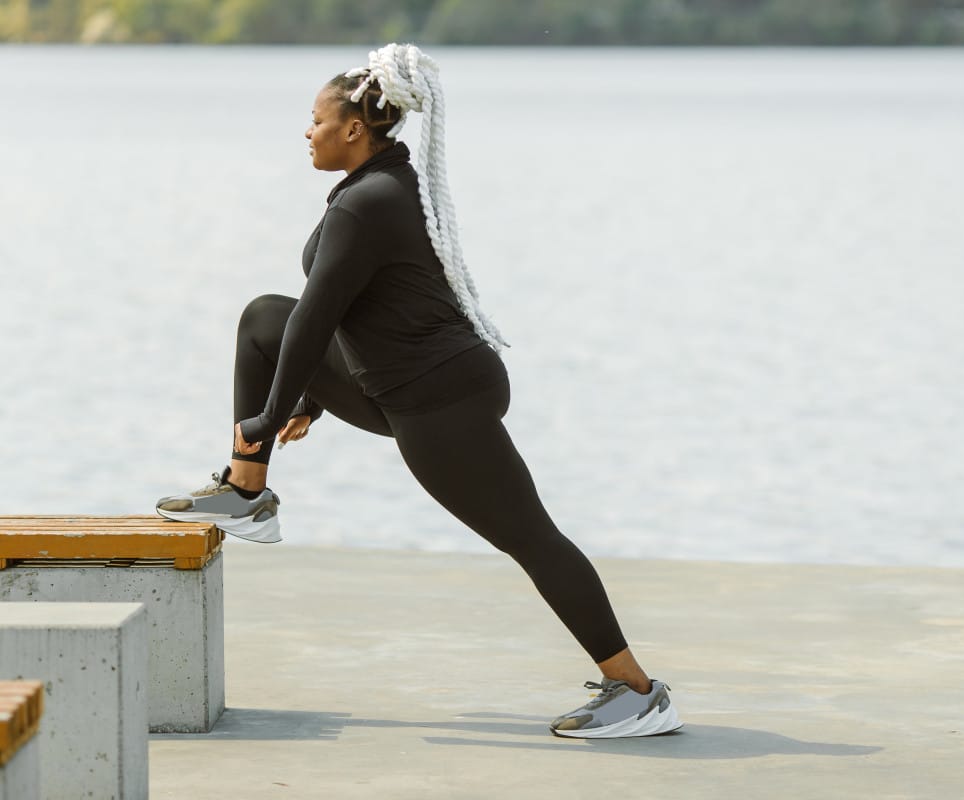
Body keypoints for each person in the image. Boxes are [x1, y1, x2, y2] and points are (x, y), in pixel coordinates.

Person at [154, 43, 680, 739]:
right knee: (263, 320)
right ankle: (248, 494)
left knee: (531, 539)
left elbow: (317, 321)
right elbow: (334, 315)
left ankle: (637, 691)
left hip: (440, 400)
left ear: (352, 129)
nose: (305, 132)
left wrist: (268, 414)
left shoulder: (369, 202)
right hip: (398, 384)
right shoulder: (381, 184)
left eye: (314, 120)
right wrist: (307, 398)